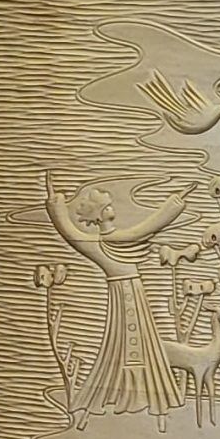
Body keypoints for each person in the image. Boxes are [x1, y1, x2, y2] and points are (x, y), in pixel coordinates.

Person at [44, 177, 195, 418]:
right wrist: (56, 205)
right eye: (106, 207)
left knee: (139, 343)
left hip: (131, 294)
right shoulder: (107, 242)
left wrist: (56, 205)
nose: (111, 209)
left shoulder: (109, 241)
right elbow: (150, 226)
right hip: (126, 294)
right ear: (99, 215)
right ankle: (128, 393)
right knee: (124, 342)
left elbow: (149, 226)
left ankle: (146, 393)